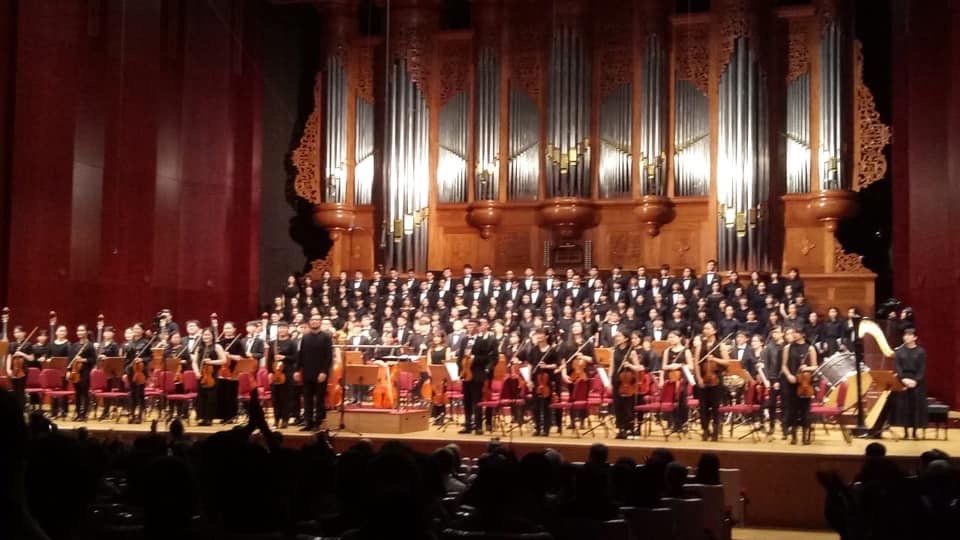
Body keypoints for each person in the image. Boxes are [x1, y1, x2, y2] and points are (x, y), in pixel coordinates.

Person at [459, 318, 498, 435]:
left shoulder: (482, 341)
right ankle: (467, 425)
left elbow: (486, 358)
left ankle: (478, 426)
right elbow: (460, 357)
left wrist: (474, 358)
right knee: (466, 401)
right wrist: (461, 371)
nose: (470, 327)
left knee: (477, 401)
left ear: (478, 327)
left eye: (473, 325)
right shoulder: (464, 340)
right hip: (466, 375)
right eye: (468, 325)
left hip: (477, 374)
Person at [781, 327, 817, 445]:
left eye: (795, 332)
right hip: (792, 382)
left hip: (805, 383)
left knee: (805, 410)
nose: (793, 335)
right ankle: (794, 436)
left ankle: (806, 436)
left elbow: (815, 366)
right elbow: (784, 366)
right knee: (793, 410)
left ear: (802, 334)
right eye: (792, 333)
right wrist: (789, 375)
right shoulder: (787, 348)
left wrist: (807, 368)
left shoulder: (810, 348)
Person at [298, 314, 333, 431]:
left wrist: (324, 372)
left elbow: (328, 357)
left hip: (320, 374)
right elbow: (301, 354)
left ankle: (318, 422)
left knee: (319, 399)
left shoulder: (326, 337)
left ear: (320, 322)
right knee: (307, 399)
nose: (314, 322)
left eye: (317, 320)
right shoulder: (305, 337)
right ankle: (308, 422)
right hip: (307, 373)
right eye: (312, 320)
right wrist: (298, 370)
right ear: (309, 322)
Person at [694, 321, 728, 441]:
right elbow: (696, 364)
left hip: (716, 381)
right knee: (703, 407)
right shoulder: (700, 346)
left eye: (708, 328)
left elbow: (726, 362)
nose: (705, 331)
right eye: (704, 329)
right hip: (703, 379)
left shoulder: (721, 345)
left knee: (715, 407)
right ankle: (705, 430)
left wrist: (715, 359)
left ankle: (715, 430)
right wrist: (699, 378)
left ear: (714, 331)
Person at [893, 328, 927, 439]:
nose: (906, 337)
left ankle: (915, 432)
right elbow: (898, 367)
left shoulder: (921, 351)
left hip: (917, 382)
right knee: (904, 407)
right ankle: (906, 432)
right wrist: (903, 379)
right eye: (905, 335)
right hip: (903, 381)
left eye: (909, 335)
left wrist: (916, 381)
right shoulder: (899, 352)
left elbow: (922, 369)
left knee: (916, 407)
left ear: (915, 338)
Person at [192, 327, 227, 426]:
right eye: (204, 335)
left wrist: (211, 362)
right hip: (201, 375)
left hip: (212, 375)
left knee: (211, 398)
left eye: (208, 335)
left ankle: (209, 418)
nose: (206, 337)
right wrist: (196, 372)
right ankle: (201, 418)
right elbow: (194, 362)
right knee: (201, 397)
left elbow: (223, 360)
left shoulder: (217, 347)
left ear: (212, 336)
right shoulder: (199, 347)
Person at [610, 330, 642, 439]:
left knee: (627, 406)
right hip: (616, 380)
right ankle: (620, 429)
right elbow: (612, 367)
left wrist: (630, 365)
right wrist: (610, 380)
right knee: (618, 406)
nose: (617, 337)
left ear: (626, 338)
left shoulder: (631, 352)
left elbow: (638, 368)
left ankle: (629, 428)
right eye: (617, 336)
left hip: (627, 381)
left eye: (619, 336)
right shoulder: (614, 351)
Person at [530, 328, 559, 436]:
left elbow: (556, 364)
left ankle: (546, 429)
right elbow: (530, 364)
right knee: (536, 406)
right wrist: (529, 380)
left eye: (541, 334)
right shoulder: (534, 349)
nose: (538, 336)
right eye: (537, 334)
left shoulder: (551, 350)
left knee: (546, 405)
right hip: (536, 380)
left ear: (546, 336)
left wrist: (546, 366)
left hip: (547, 380)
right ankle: (537, 428)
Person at [663, 329, 693, 433]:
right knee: (670, 401)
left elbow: (691, 366)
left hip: (682, 379)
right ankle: (671, 424)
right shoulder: (667, 351)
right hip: (670, 378)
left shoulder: (686, 351)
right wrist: (670, 366)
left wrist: (680, 365)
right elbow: (664, 366)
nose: (670, 339)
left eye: (673, 337)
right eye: (669, 337)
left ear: (680, 338)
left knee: (681, 401)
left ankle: (682, 423)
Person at [66, 324, 96, 421]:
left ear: (86, 332)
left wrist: (83, 360)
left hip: (85, 372)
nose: (80, 332)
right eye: (78, 330)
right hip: (75, 372)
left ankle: (84, 414)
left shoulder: (90, 345)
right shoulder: (74, 345)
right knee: (77, 393)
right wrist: (68, 371)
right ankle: (78, 413)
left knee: (84, 393)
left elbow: (93, 360)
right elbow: (70, 359)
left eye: (82, 330)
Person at [124, 323, 153, 424]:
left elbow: (150, 357)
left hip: (141, 371)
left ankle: (140, 414)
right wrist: (125, 371)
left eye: (138, 328)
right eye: (134, 328)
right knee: (132, 393)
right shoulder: (129, 343)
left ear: (142, 330)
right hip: (131, 371)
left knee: (140, 393)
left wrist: (142, 359)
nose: (136, 330)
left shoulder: (146, 342)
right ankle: (132, 413)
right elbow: (127, 359)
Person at [270, 322, 297, 429]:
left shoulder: (292, 343)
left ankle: (285, 419)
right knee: (276, 398)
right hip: (274, 373)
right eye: (280, 328)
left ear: (288, 330)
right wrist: (269, 372)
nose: (282, 330)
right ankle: (276, 419)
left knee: (286, 397)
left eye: (284, 328)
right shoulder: (273, 343)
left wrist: (284, 357)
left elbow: (295, 358)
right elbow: (269, 359)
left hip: (287, 373)